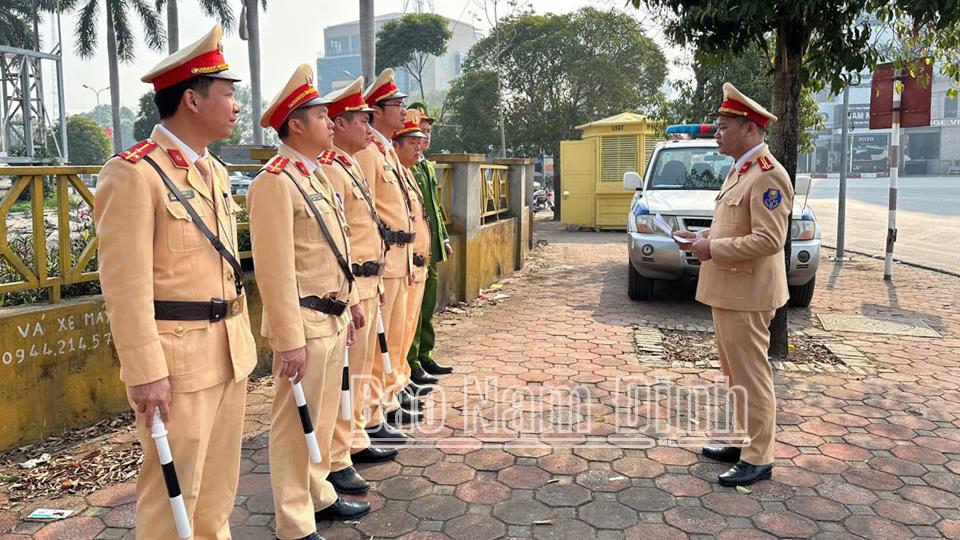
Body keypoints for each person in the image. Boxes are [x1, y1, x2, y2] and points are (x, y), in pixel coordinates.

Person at [93, 24, 258, 539]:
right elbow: (124, 285)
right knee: (172, 496)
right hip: (177, 363)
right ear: (192, 99)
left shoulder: (211, 170)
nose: (236, 105)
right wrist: (144, 371)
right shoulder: (133, 174)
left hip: (229, 351)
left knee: (217, 489)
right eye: (228, 95)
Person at [247, 63, 370, 540]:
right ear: (295, 125)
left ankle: (319, 492)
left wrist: (354, 299)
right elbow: (274, 271)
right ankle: (294, 522)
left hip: (334, 316)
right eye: (321, 116)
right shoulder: (275, 181)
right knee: (294, 426)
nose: (331, 123)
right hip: (305, 320)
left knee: (319, 418)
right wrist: (287, 338)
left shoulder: (316, 175)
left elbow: (338, 247)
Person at [675, 82, 793, 487]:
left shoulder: (767, 176)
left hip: (748, 293)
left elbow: (769, 240)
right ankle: (747, 442)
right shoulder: (740, 168)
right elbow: (733, 224)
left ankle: (759, 457)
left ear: (750, 129)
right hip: (730, 290)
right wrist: (700, 242)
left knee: (751, 374)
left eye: (724, 125)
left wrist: (713, 248)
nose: (718, 131)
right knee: (734, 374)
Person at [321, 76, 399, 495]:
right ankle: (337, 455)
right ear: (338, 123)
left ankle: (352, 437)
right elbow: (337, 241)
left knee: (361, 368)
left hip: (369, 280)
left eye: (370, 121)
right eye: (360, 120)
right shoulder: (331, 169)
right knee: (344, 376)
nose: (368, 129)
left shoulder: (351, 163)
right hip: (350, 286)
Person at [355, 68, 424, 435]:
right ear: (377, 110)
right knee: (378, 342)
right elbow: (365, 213)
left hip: (401, 258)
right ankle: (372, 410)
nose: (402, 110)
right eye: (395, 104)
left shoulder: (385, 150)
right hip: (383, 260)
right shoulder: (368, 153)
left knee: (395, 336)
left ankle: (387, 398)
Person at [404, 102, 454, 380]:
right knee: (413, 308)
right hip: (413, 251)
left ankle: (425, 354)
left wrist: (443, 237)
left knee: (428, 305)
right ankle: (411, 362)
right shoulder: (407, 168)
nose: (425, 137)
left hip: (431, 246)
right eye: (420, 133)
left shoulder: (426, 166)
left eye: (427, 133)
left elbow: (434, 208)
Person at [391, 111, 433, 391]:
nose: (419, 146)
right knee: (395, 335)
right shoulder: (388, 169)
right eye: (412, 142)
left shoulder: (408, 173)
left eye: (421, 141)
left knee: (405, 329)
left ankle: (401, 380)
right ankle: (393, 388)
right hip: (396, 267)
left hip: (415, 263)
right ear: (396, 145)